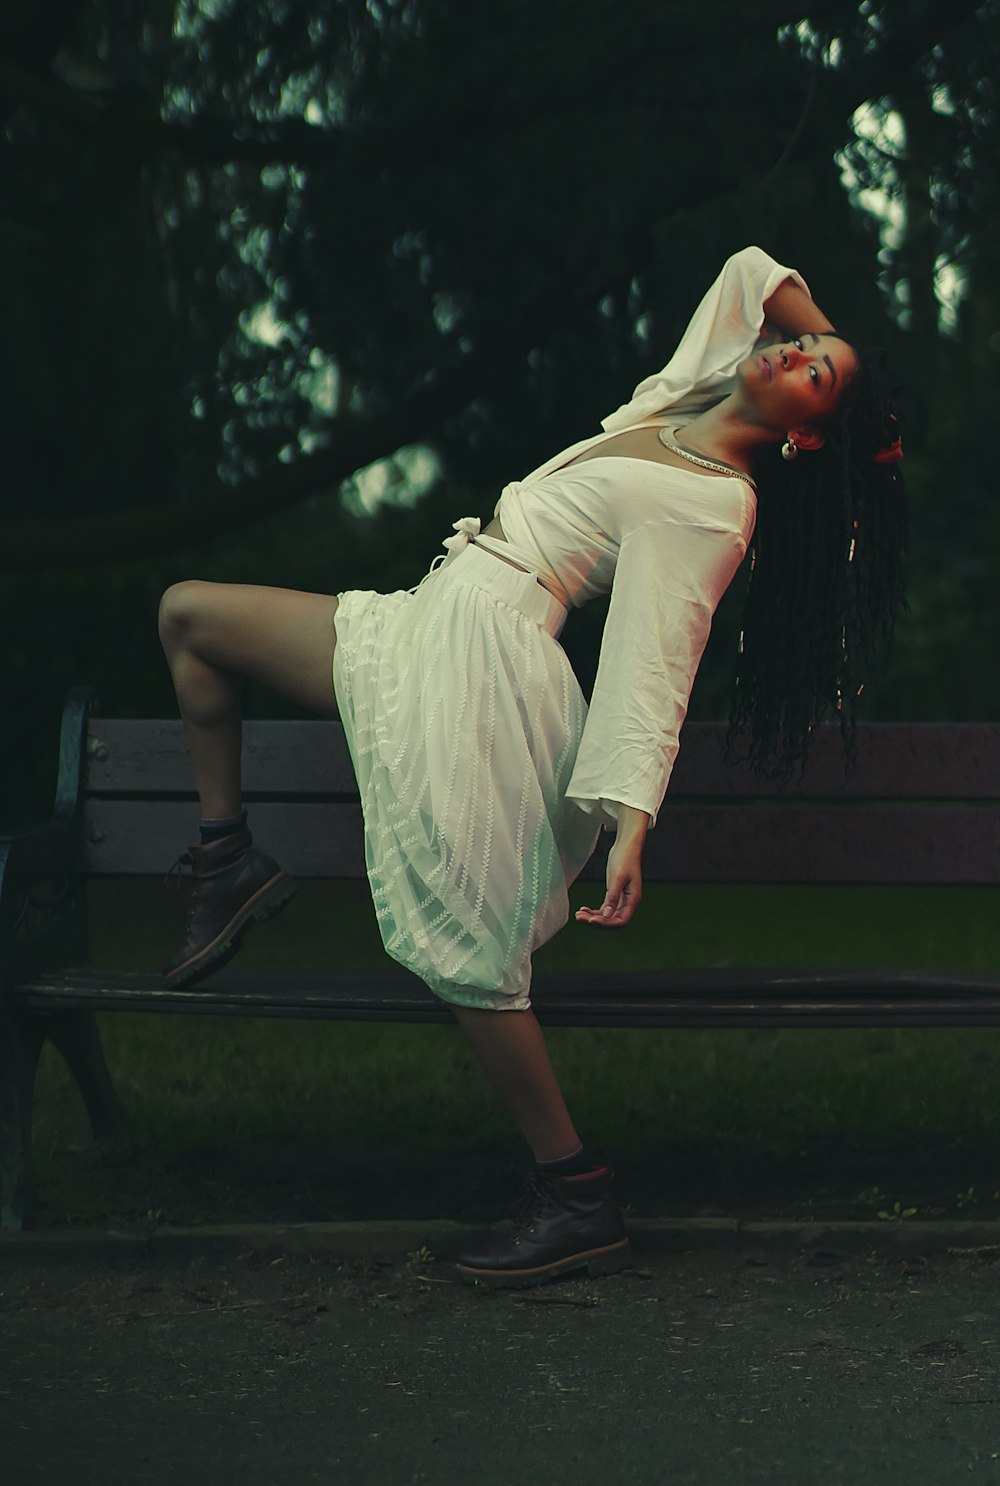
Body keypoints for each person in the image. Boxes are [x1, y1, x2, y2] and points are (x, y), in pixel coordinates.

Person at [157, 246, 908, 1290]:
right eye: (794, 343)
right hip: (432, 615)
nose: (786, 350)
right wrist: (838, 355)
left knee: (467, 943)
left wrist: (631, 817)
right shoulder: (677, 402)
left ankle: (574, 1188)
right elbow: (748, 270)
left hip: (487, 658)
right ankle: (226, 856)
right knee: (190, 615)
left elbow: (659, 652)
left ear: (801, 436)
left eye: (809, 371)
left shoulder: (715, 501)